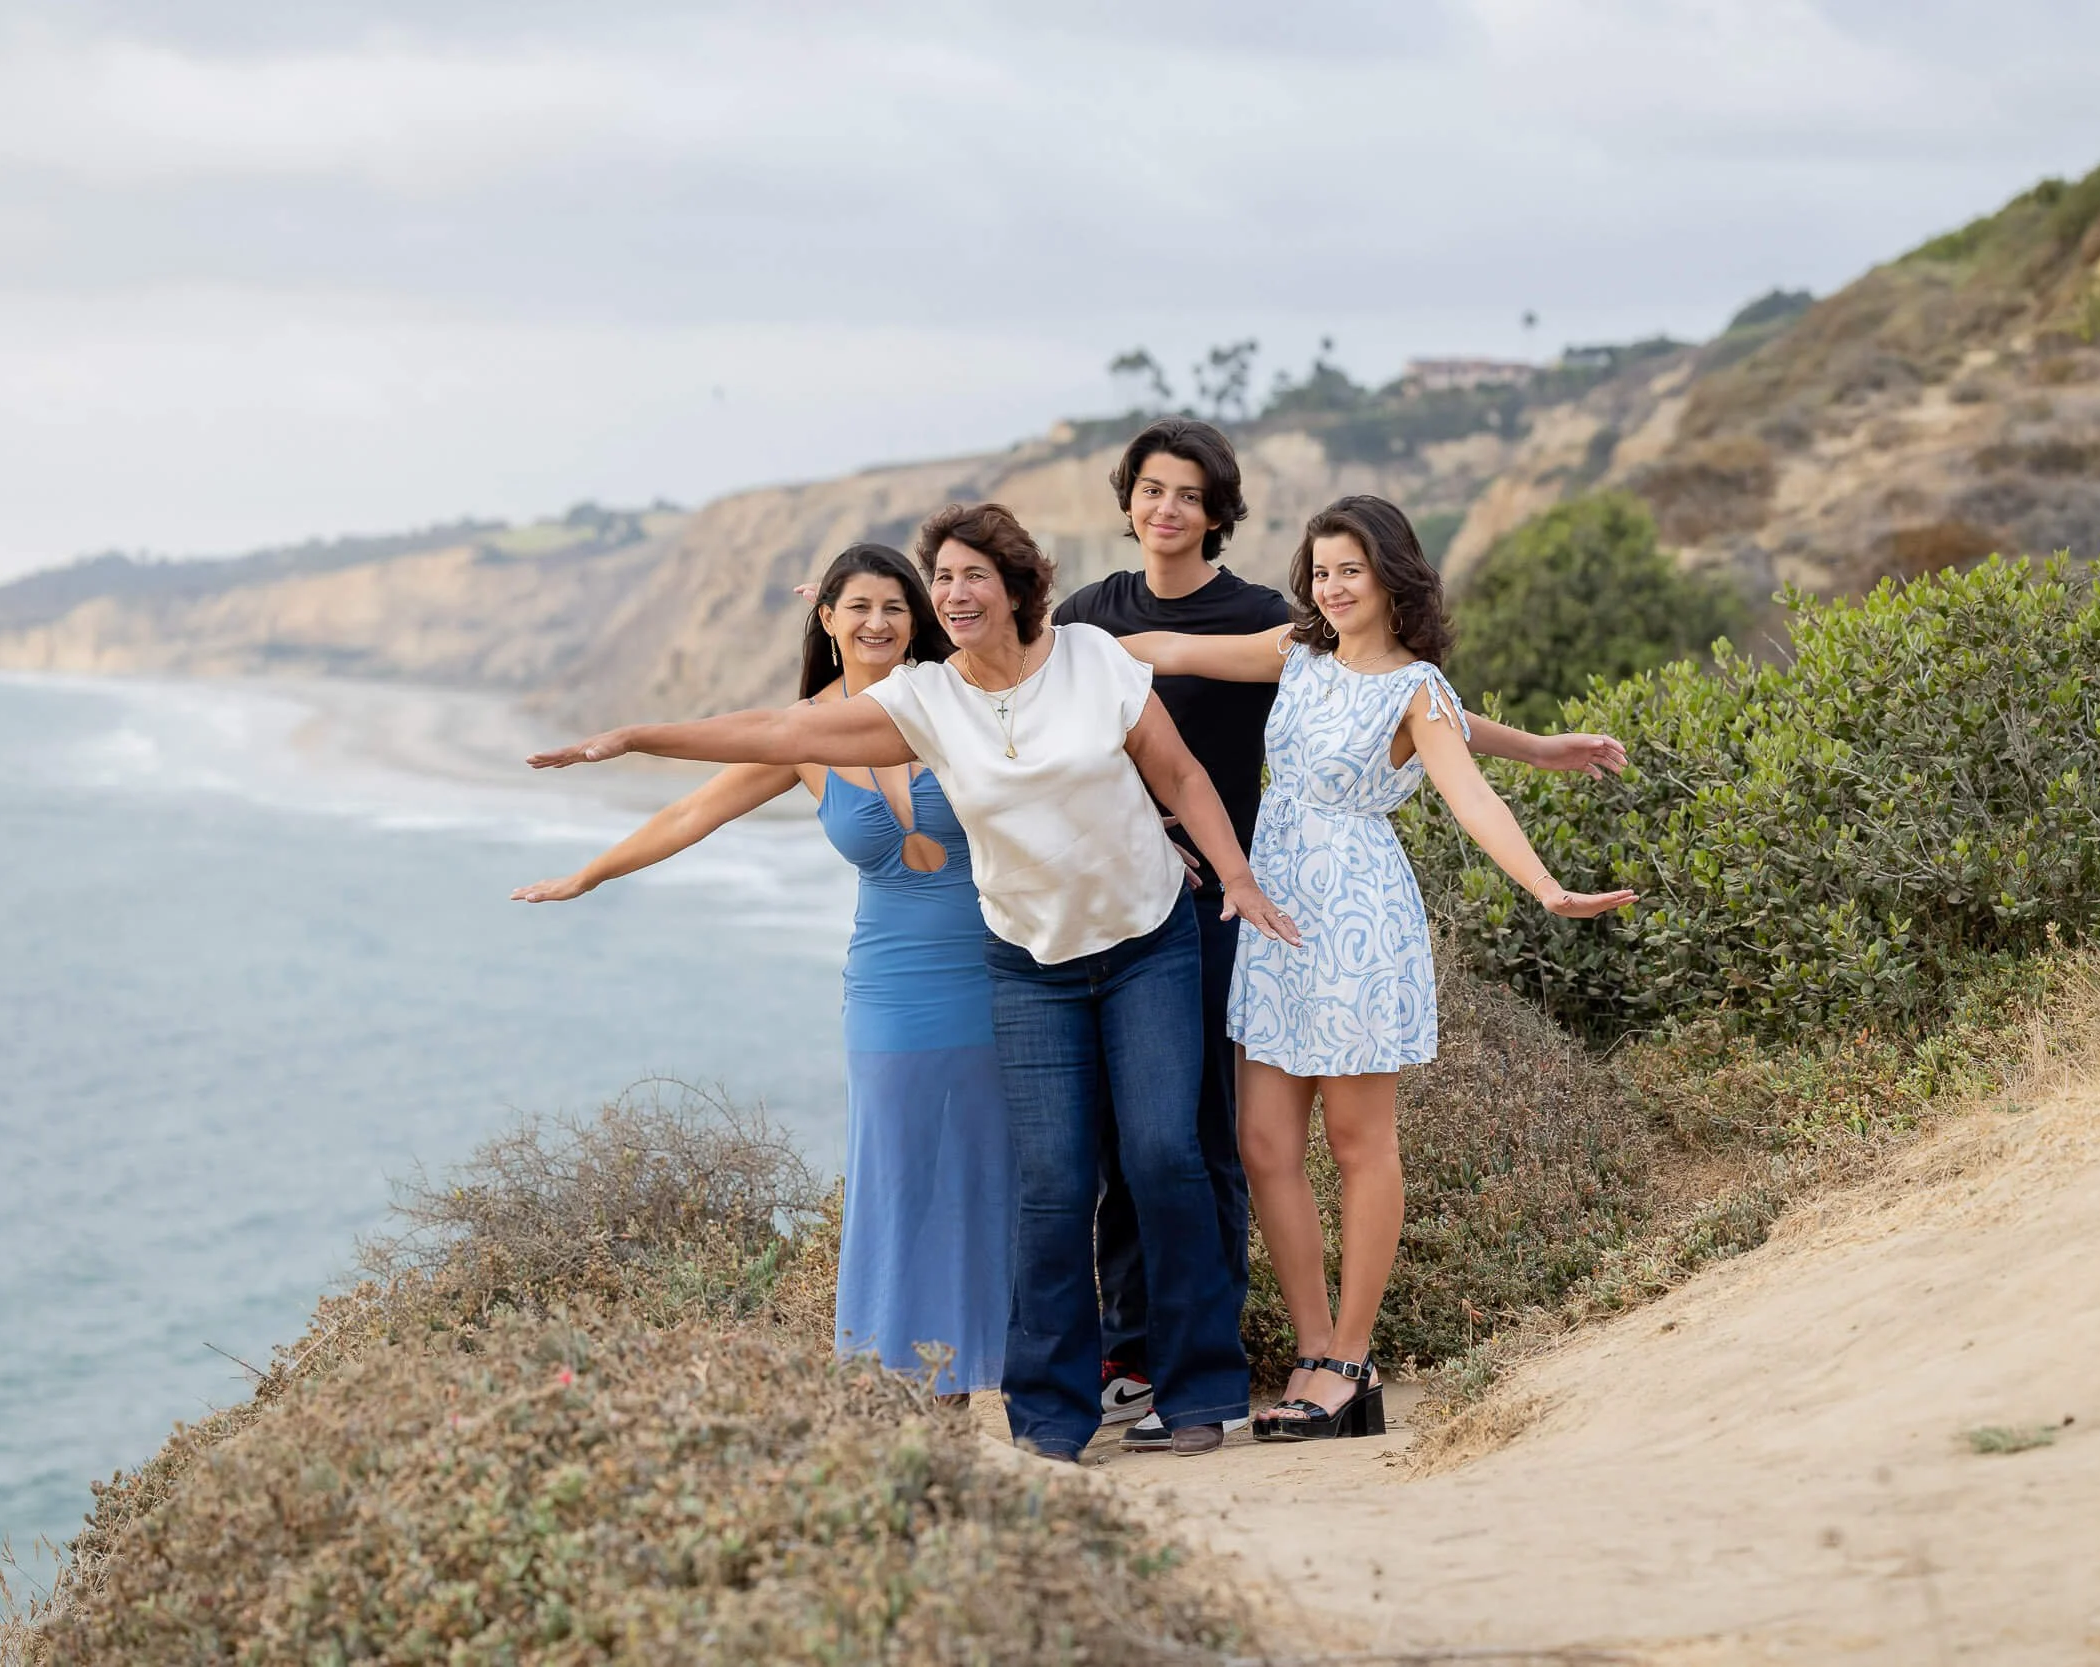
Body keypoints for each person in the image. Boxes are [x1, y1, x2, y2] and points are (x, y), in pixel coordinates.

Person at [527, 502, 1299, 1460]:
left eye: (955, 582)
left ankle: (1173, 1385)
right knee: (1030, 1186)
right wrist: (629, 755)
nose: (940, 599)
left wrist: (1215, 866)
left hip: (1087, 950)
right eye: (934, 584)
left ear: (1013, 588)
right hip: (985, 971)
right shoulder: (909, 706)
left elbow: (1150, 773)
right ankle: (1022, 1403)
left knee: (1143, 1162)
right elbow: (750, 753)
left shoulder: (1043, 670)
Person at [1052, 417, 1630, 1447]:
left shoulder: (1416, 688)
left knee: (1361, 1145)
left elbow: (1467, 788)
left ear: (1394, 577)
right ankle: (1313, 1347)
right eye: (1319, 569)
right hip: (1272, 910)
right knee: (1264, 1143)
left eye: (1350, 570)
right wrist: (1008, 651)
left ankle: (1347, 1357)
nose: (1330, 586)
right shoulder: (1296, 651)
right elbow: (1161, 645)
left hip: (1358, 919)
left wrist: (1546, 885)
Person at [509, 544, 1015, 1397]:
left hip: (1000, 973)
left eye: (895, 606)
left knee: (991, 1170)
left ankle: (1005, 1362)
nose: (878, 622)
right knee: (897, 1175)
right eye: (857, 608)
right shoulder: (806, 734)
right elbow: (692, 811)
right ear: (826, 620)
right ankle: (906, 1382)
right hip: (890, 989)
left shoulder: (959, 695)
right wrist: (589, 873)